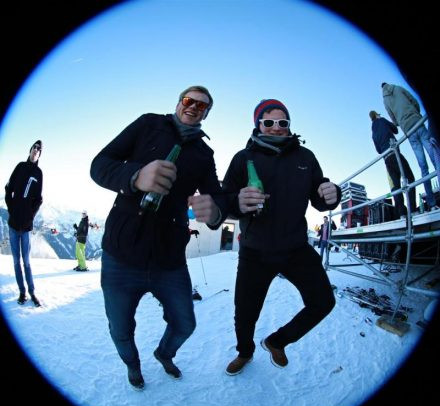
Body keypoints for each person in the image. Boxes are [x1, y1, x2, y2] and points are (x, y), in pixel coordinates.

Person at [90, 85, 226, 390]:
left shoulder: (204, 154)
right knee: (120, 328)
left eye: (202, 106)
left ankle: (164, 354)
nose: (193, 107)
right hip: (122, 252)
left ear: (206, 114)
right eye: (189, 101)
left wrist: (215, 212)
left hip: (169, 258)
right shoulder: (148, 124)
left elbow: (216, 198)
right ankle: (132, 365)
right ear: (179, 103)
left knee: (185, 324)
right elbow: (99, 165)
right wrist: (135, 176)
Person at [221, 99, 341, 375]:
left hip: (294, 247)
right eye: (269, 122)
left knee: (323, 302)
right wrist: (237, 200)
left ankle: (277, 341)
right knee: (245, 313)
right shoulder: (243, 158)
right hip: (255, 249)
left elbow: (320, 197)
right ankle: (245, 353)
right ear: (258, 125)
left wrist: (332, 194)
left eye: (282, 123)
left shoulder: (305, 157)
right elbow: (225, 200)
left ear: (289, 127)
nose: (276, 128)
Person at [382, 82, 440, 210]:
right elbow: (413, 100)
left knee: (423, 166)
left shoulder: (385, 101)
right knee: (436, 158)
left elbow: (393, 119)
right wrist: (415, 113)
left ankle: (431, 203)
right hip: (417, 122)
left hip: (408, 130)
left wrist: (401, 123)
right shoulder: (397, 88)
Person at [4, 140, 43, 307]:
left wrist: (30, 216)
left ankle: (32, 292)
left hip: (26, 227)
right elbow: (8, 189)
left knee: (26, 262)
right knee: (16, 261)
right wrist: (11, 209)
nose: (36, 151)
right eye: (34, 148)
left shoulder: (38, 173)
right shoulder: (20, 167)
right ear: (30, 150)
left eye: (39, 150)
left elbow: (38, 200)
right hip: (13, 224)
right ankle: (22, 292)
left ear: (40, 154)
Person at [369, 110, 417, 218]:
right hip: (394, 153)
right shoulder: (382, 120)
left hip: (387, 159)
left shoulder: (373, 133)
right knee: (410, 178)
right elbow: (395, 130)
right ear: (376, 115)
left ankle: (401, 214)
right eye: (378, 114)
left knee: (396, 186)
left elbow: (378, 150)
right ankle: (413, 210)